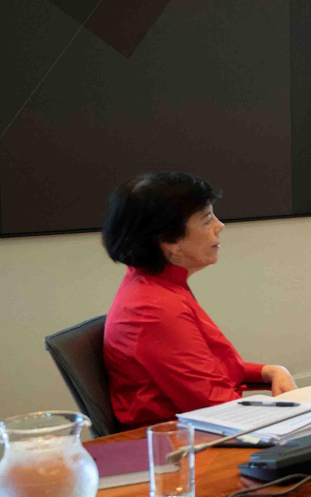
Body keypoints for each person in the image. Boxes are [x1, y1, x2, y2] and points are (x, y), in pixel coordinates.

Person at [101, 172, 295, 430]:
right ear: (168, 241)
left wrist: (269, 371)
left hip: (199, 429)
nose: (219, 226)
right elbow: (219, 409)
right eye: (206, 220)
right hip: (177, 442)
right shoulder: (153, 308)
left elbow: (208, 371)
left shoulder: (155, 285)